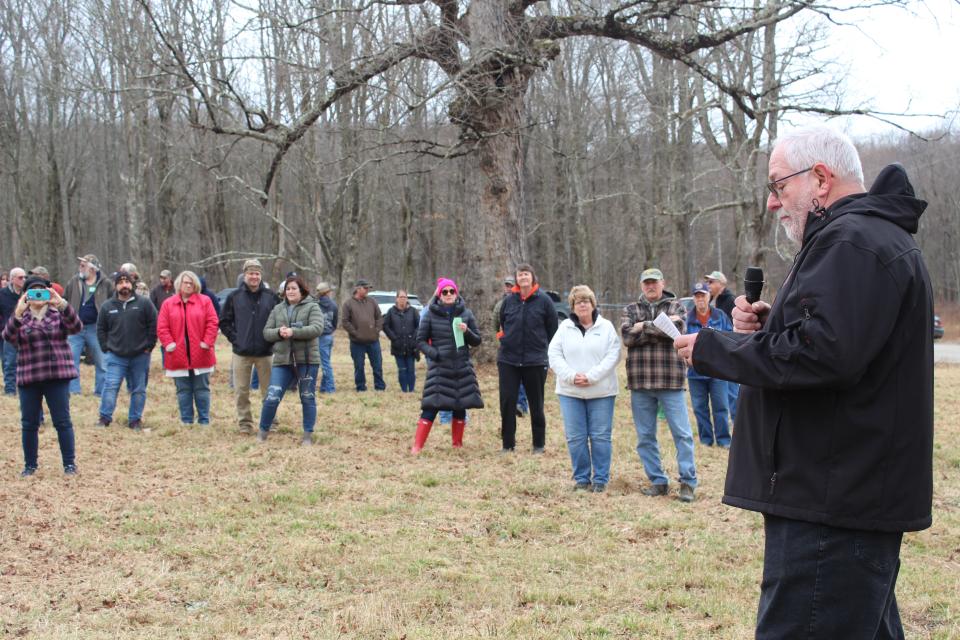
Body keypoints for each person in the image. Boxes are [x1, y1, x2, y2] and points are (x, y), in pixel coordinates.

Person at [674, 125, 933, 639]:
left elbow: (822, 355)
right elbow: (845, 345)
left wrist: (716, 348)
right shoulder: (866, 238)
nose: (773, 203)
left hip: (832, 501)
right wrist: (773, 326)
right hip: (843, 494)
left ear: (820, 178)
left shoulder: (853, 241)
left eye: (777, 186)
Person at [619, 267, 697, 502]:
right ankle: (658, 481)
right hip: (640, 381)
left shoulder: (677, 306)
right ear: (641, 285)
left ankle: (687, 482)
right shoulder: (630, 309)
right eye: (646, 283)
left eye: (654, 282)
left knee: (682, 434)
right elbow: (626, 337)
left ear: (663, 283)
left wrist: (642, 326)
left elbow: (678, 332)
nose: (650, 286)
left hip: (670, 380)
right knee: (645, 436)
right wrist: (660, 326)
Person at [2, 275, 82, 476]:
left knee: (62, 421)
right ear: (26, 296)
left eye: (42, 290)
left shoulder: (58, 315)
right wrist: (18, 313)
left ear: (49, 293)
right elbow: (8, 337)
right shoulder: (21, 318)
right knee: (29, 423)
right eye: (33, 291)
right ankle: (30, 465)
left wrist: (62, 303)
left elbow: (76, 327)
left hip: (56, 376)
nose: (38, 295)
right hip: (30, 376)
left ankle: (69, 464)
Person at [547, 285, 621, 492]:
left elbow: (614, 354)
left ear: (593, 304)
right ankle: (581, 478)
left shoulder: (606, 327)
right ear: (572, 306)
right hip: (570, 392)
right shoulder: (564, 328)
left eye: (586, 300)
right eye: (577, 301)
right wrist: (571, 376)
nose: (582, 304)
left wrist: (591, 376)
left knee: (600, 436)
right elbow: (554, 355)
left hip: (601, 392)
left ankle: (600, 479)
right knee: (576, 437)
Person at [411, 278, 482, 453]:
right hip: (440, 368)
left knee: (460, 406)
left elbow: (477, 341)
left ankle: (457, 444)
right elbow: (420, 341)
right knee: (430, 407)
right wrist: (435, 354)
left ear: (456, 293)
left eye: (452, 291)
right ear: (439, 295)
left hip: (461, 367)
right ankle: (417, 446)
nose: (449, 294)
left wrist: (467, 331)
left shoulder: (466, 313)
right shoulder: (429, 314)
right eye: (445, 292)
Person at [497, 264, 558, 453]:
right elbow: (501, 325)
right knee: (507, 402)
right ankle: (508, 445)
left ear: (532, 277)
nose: (523, 277)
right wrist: (505, 340)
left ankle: (538, 444)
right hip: (509, 360)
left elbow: (553, 331)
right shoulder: (508, 302)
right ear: (516, 279)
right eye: (519, 275)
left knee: (536, 403)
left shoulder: (544, 301)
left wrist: (546, 355)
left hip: (535, 360)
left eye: (526, 274)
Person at [257, 274, 325, 445]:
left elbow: (317, 328)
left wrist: (295, 332)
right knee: (272, 397)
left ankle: (307, 435)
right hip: (282, 360)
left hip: (307, 360)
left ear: (302, 290)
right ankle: (262, 432)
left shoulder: (312, 307)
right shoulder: (278, 309)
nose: (290, 291)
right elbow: (266, 332)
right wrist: (279, 333)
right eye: (288, 289)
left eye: (294, 288)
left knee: (307, 396)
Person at [220, 259, 279, 434]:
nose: (254, 277)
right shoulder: (234, 297)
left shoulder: (271, 297)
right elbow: (224, 322)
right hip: (241, 353)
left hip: (265, 352)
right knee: (241, 391)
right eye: (251, 273)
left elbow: (280, 320)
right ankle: (245, 424)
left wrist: (272, 340)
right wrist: (236, 339)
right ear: (244, 275)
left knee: (269, 391)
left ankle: (270, 422)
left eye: (257, 273)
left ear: (261, 275)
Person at [95, 271, 157, 430]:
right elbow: (101, 329)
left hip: (140, 355)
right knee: (110, 386)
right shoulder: (107, 306)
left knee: (138, 389)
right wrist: (105, 347)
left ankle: (135, 420)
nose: (124, 285)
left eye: (127, 282)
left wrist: (149, 346)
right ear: (115, 286)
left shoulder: (144, 303)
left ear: (132, 284)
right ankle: (104, 418)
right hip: (116, 355)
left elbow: (153, 325)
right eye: (121, 282)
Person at [156, 270, 219, 426]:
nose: (189, 285)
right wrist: (169, 344)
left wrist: (207, 341)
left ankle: (204, 420)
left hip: (201, 352)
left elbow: (212, 322)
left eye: (191, 283)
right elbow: (162, 327)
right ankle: (186, 420)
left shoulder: (205, 301)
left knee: (202, 388)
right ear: (179, 284)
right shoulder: (168, 304)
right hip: (177, 353)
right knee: (183, 389)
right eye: (186, 282)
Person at [684, 282, 731, 448]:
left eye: (703, 295)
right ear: (693, 298)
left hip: (718, 372)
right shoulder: (687, 319)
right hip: (695, 373)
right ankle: (706, 440)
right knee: (699, 408)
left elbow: (730, 338)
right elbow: (681, 343)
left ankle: (724, 440)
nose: (700, 299)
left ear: (709, 296)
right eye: (697, 296)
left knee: (721, 407)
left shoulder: (720, 317)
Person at [63, 254, 114, 396]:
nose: (80, 267)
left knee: (102, 361)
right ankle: (73, 391)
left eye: (83, 265)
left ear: (92, 268)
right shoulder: (74, 281)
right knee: (71, 361)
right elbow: (64, 300)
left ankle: (100, 392)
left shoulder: (106, 283)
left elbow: (113, 302)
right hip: (74, 327)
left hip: (96, 328)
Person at [493, 276, 528, 417]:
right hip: (507, 348)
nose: (508, 288)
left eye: (511, 285)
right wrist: (499, 342)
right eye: (507, 285)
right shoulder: (500, 305)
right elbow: (495, 325)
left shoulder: (526, 303)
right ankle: (514, 405)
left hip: (525, 348)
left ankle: (521, 405)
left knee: (523, 379)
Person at [341, 278, 385, 391]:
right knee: (359, 367)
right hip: (357, 342)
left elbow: (379, 317)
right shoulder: (348, 304)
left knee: (378, 366)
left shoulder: (372, 301)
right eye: (365, 288)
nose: (367, 290)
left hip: (373, 340)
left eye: (368, 288)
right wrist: (355, 333)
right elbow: (345, 322)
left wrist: (377, 330)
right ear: (357, 288)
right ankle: (361, 387)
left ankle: (380, 387)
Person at [383, 289, 420, 392]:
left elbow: (419, 326)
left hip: (411, 346)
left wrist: (414, 338)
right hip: (397, 346)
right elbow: (385, 326)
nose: (402, 299)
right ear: (397, 299)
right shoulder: (391, 311)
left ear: (407, 299)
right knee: (402, 370)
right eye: (401, 297)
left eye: (404, 297)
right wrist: (393, 338)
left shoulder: (413, 311)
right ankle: (404, 390)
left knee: (411, 370)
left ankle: (411, 390)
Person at [1, 267, 27, 395]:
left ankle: (24, 387)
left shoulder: (28, 294)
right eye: (20, 277)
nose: (24, 280)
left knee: (26, 361)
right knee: (9, 362)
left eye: (25, 277)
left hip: (27, 332)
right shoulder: (3, 294)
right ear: (12, 279)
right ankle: (10, 390)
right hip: (10, 332)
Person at [314, 281, 338, 393]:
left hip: (319, 337)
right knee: (326, 362)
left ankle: (330, 388)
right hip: (328, 336)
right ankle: (324, 387)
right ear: (327, 292)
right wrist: (330, 330)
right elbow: (335, 322)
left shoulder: (315, 305)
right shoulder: (333, 305)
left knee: (325, 364)